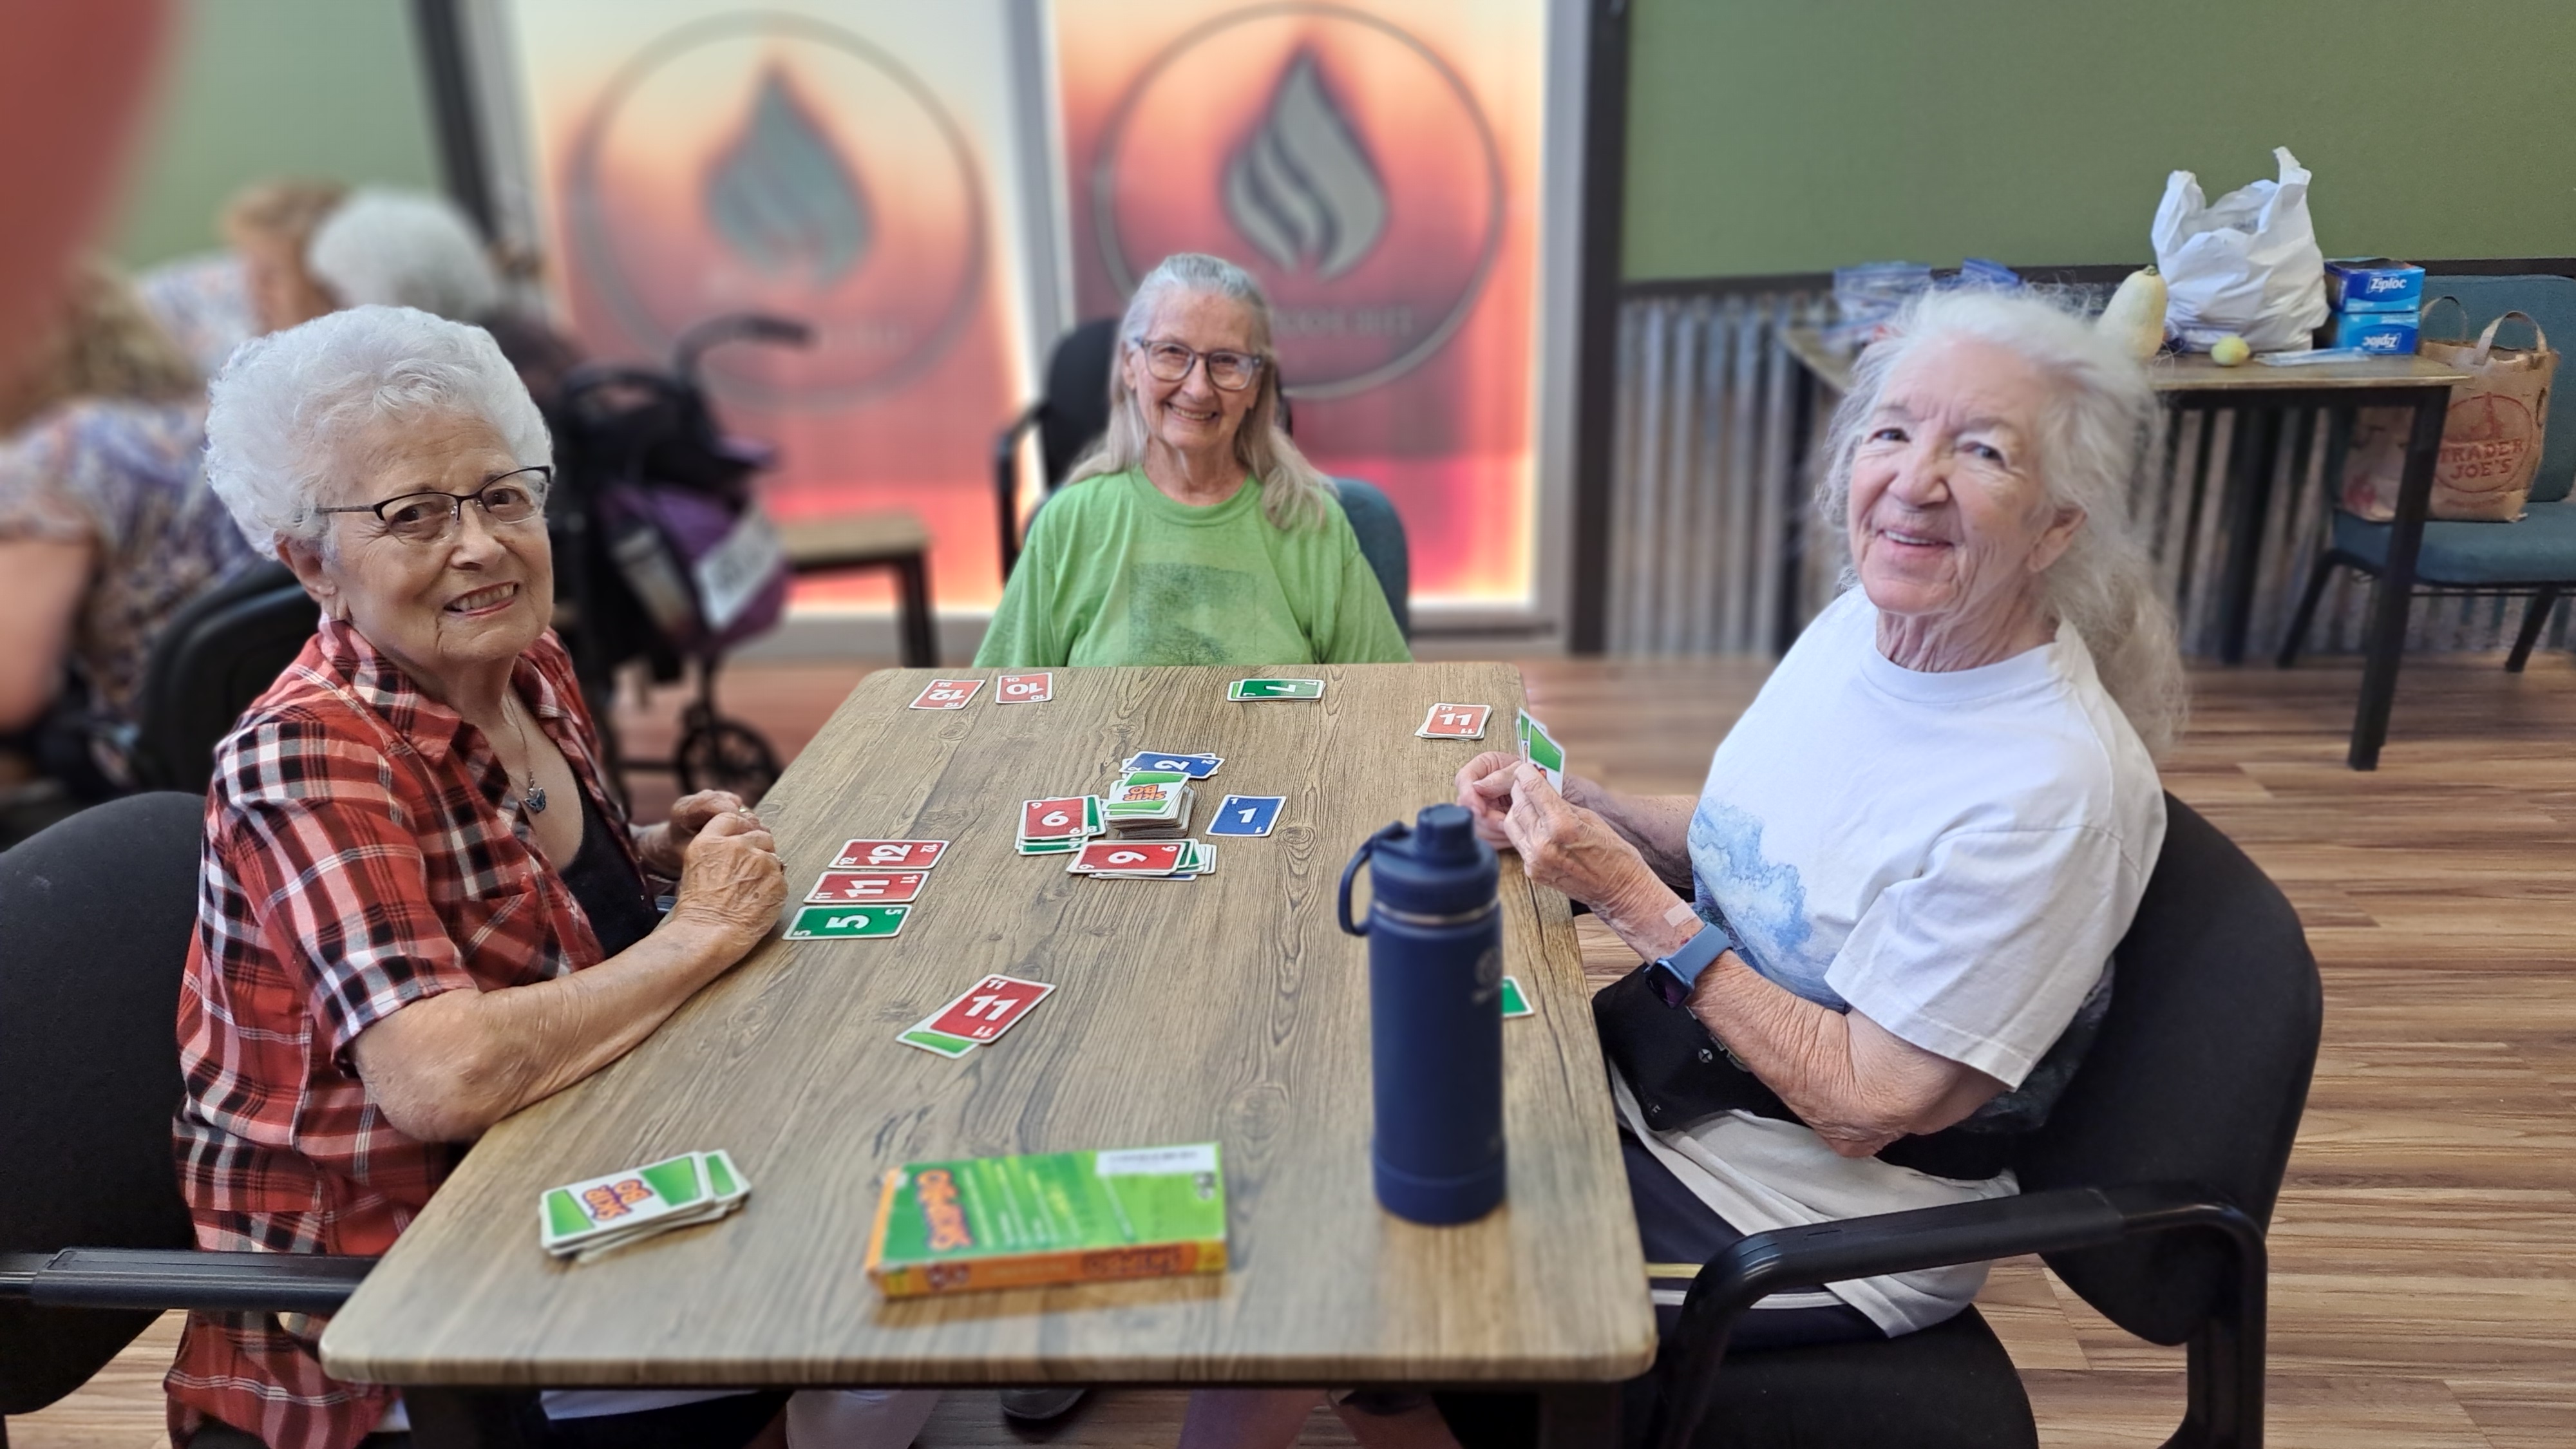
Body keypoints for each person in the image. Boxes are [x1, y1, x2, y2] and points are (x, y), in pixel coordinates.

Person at [167, 305, 934, 1449]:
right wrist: (698, 935)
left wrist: (649, 853)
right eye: (413, 515)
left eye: (501, 495)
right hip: (412, 1302)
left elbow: (492, 868)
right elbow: (442, 1077)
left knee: (894, 1155)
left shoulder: (522, 660)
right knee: (854, 1288)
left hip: (577, 1151)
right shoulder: (308, 756)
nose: (478, 544)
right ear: (309, 561)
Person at [1448, 289, 2179, 1416]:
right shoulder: (1863, 623)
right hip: (1653, 1089)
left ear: (2058, 524)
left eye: (1981, 450)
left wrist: (1636, 902)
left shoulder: (2050, 791)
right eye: (1892, 431)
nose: (1915, 480)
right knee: (1349, 1114)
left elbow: (1861, 1100)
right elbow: (1764, 846)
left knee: (1389, 1253)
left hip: (1796, 1215)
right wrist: (1587, 807)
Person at [972, 251, 1408, 670]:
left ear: (1256, 385)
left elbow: (1384, 703)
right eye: (1172, 353)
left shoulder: (1313, 524)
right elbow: (1002, 709)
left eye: (1226, 362)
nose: (1198, 389)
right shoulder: (1068, 524)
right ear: (1130, 363)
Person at [0, 259, 247, 788]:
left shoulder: (61, 454)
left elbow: (11, 693)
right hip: (269, 726)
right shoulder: (218, 413)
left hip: (156, 765)